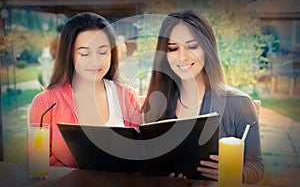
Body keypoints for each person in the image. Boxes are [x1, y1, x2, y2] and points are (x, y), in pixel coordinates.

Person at [142, 10, 263, 184]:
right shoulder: (158, 103)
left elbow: (256, 166)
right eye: (173, 48)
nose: (182, 57)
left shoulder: (238, 104)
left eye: (192, 46)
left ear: (207, 48)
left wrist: (234, 173)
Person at [29, 12, 143, 168]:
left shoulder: (128, 96)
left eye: (103, 52)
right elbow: (36, 163)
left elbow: (140, 156)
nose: (95, 61)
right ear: (69, 55)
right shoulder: (45, 103)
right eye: (84, 53)